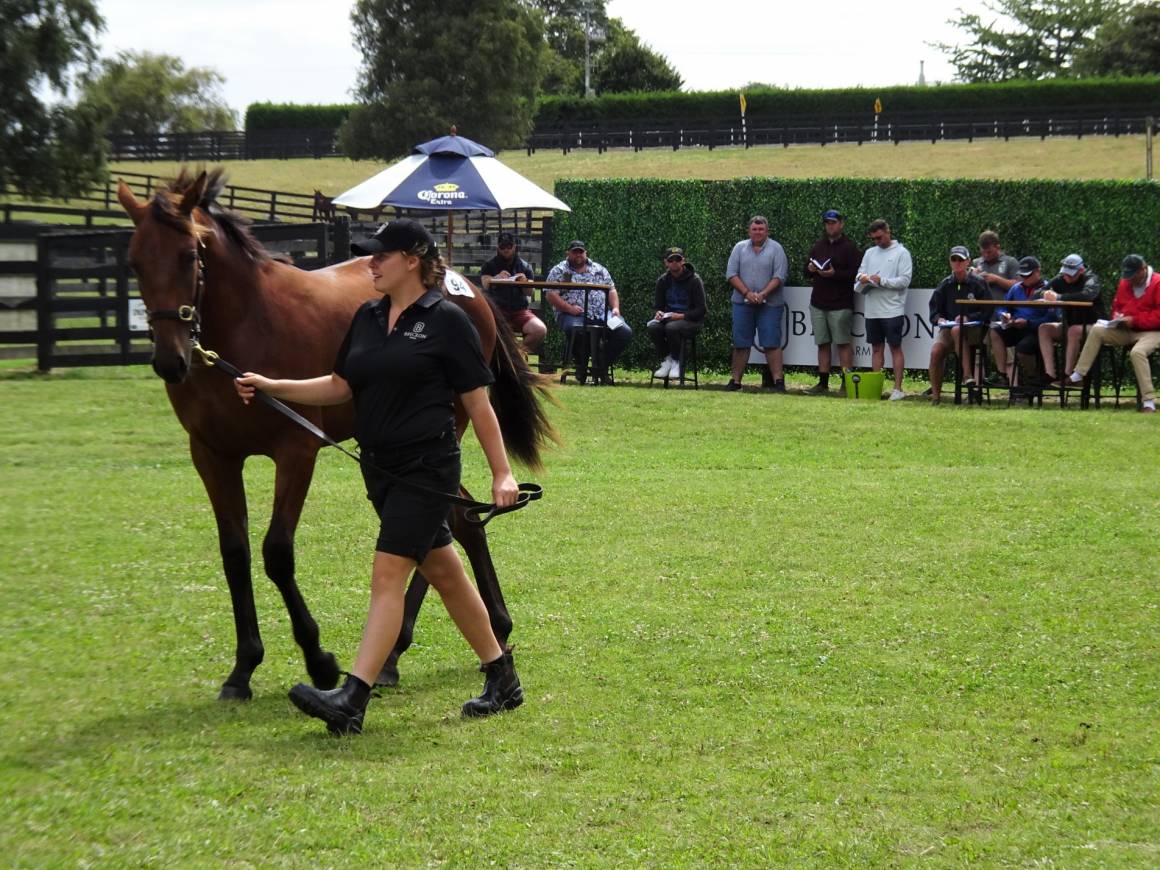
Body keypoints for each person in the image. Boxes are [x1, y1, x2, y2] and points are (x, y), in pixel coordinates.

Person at [233, 220, 523, 735]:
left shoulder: (448, 322)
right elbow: (340, 386)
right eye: (368, 256)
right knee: (445, 572)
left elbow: (479, 404)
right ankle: (502, 677)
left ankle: (353, 697)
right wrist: (272, 385)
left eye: (379, 255)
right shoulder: (367, 317)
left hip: (427, 466)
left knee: (388, 576)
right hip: (379, 467)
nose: (369, 263)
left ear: (412, 259)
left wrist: (501, 473)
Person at [1067, 253, 1160, 413]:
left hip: (1152, 331)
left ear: (1143, 270)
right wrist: (1118, 318)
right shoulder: (1124, 283)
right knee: (1097, 330)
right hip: (1127, 329)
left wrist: (1135, 320)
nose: (1129, 280)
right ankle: (1077, 376)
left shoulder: (1158, 283)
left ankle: (1149, 402)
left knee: (1137, 353)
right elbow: (1117, 306)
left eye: (1132, 276)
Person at [545, 240, 633, 384]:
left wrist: (616, 308)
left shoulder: (599, 269)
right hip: (572, 314)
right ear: (568, 253)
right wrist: (569, 308)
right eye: (575, 252)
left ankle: (599, 365)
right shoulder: (559, 270)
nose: (578, 255)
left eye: (581, 251)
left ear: (586, 253)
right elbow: (550, 294)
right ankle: (582, 366)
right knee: (576, 329)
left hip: (601, 313)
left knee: (624, 332)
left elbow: (611, 289)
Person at [725, 215, 789, 391]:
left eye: (761, 229)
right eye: (754, 229)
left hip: (770, 304)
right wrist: (747, 293)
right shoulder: (739, 248)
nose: (758, 232)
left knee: (771, 343)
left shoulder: (777, 249)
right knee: (740, 343)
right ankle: (735, 381)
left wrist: (762, 294)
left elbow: (780, 276)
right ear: (749, 231)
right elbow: (731, 274)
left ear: (767, 231)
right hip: (742, 303)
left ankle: (778, 382)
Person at [854, 218, 913, 400]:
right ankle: (876, 387)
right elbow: (859, 273)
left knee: (895, 347)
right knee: (876, 348)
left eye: (879, 238)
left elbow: (904, 280)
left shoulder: (902, 253)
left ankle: (898, 389)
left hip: (892, 309)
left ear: (888, 232)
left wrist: (882, 281)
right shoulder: (870, 253)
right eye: (874, 239)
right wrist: (863, 278)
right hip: (872, 309)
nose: (877, 242)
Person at [805, 209, 861, 393]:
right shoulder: (818, 245)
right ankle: (823, 383)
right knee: (822, 343)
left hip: (841, 302)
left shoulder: (849, 247)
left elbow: (855, 274)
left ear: (841, 224)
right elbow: (805, 272)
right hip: (818, 302)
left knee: (843, 343)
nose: (830, 226)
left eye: (833, 222)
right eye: (828, 223)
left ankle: (847, 384)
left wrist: (835, 274)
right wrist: (811, 268)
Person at [928, 245, 992, 404]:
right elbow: (934, 310)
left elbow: (988, 309)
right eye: (954, 259)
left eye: (961, 260)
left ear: (968, 262)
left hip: (975, 330)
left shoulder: (978, 283)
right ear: (950, 262)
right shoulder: (945, 284)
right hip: (949, 329)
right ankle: (936, 397)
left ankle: (967, 376)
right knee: (936, 351)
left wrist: (969, 317)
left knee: (958, 330)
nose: (957, 263)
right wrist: (939, 320)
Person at [986, 255, 1054, 386]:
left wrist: (1029, 323)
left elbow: (1052, 318)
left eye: (1027, 275)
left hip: (1037, 331)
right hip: (1016, 327)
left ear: (1038, 272)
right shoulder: (1016, 288)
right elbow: (1003, 307)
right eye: (1022, 275)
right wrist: (1005, 315)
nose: (1024, 279)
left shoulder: (1047, 290)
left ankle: (1032, 377)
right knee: (995, 331)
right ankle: (1002, 375)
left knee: (1023, 349)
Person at [1038, 253, 1103, 385]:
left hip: (1094, 325)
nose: (1066, 277)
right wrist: (1045, 293)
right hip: (1071, 324)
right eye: (1065, 273)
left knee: (1074, 331)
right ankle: (1050, 374)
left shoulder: (1091, 279)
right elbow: (1038, 291)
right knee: (1045, 328)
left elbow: (1088, 296)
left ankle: (1068, 376)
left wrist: (1059, 298)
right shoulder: (1060, 278)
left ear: (1081, 270)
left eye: (1070, 274)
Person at [480, 231, 546, 353]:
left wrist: (524, 282)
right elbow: (485, 283)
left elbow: (530, 292)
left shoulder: (525, 266)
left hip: (519, 311)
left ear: (514, 247)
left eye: (509, 246)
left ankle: (516, 354)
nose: (506, 250)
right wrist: (496, 278)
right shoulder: (489, 265)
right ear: (498, 248)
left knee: (540, 330)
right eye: (502, 247)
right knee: (487, 330)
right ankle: (506, 358)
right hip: (497, 311)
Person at [648, 246, 706, 379]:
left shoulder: (695, 280)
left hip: (691, 320)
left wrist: (681, 316)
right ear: (666, 263)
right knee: (653, 327)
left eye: (677, 259)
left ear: (683, 261)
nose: (674, 263)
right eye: (671, 260)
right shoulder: (662, 281)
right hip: (669, 318)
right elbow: (658, 306)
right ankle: (668, 359)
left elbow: (702, 310)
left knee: (671, 328)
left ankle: (677, 362)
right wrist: (658, 313)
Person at [971, 230, 1021, 295]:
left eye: (989, 252)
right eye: (983, 252)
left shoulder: (1010, 262)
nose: (986, 255)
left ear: (998, 247)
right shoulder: (976, 263)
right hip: (982, 304)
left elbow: (1019, 286)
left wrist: (996, 279)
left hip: (1004, 304)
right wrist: (973, 278)